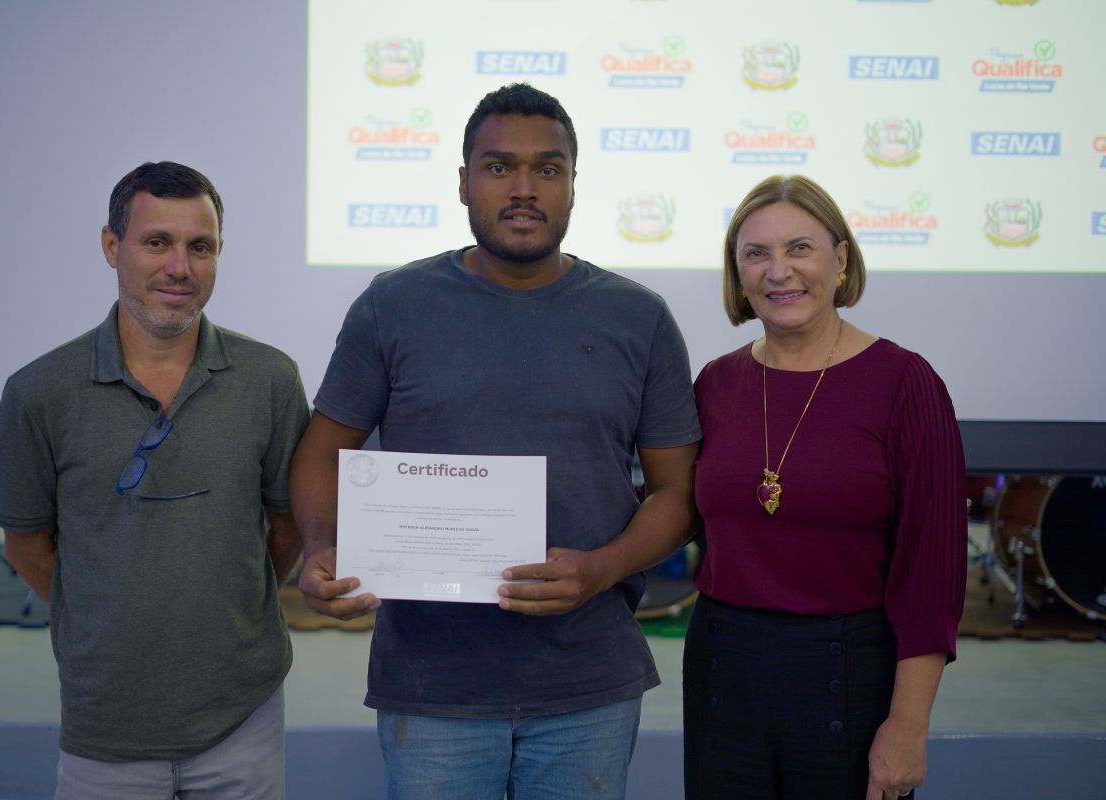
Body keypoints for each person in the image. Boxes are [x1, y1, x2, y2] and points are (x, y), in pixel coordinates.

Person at [290, 83, 702, 800]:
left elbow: (679, 490)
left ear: (573, 185)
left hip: (588, 686)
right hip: (431, 686)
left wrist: (600, 569)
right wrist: (325, 547)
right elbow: (323, 449)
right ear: (462, 182)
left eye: (548, 168)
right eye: (498, 166)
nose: (523, 188)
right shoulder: (393, 305)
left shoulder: (639, 318)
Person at [0, 161, 309, 799]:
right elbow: (28, 546)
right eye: (156, 243)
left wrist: (229, 609)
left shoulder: (270, 380)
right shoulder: (38, 393)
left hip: (243, 714)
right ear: (112, 247)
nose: (179, 268)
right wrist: (110, 618)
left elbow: (288, 526)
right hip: (106, 722)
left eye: (200, 247)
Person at [683, 174, 966, 800]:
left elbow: (932, 572)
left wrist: (908, 726)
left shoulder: (906, 383)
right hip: (722, 668)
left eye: (799, 248)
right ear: (737, 272)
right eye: (756, 253)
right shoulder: (714, 384)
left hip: (851, 670)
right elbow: (677, 512)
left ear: (840, 260)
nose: (778, 270)